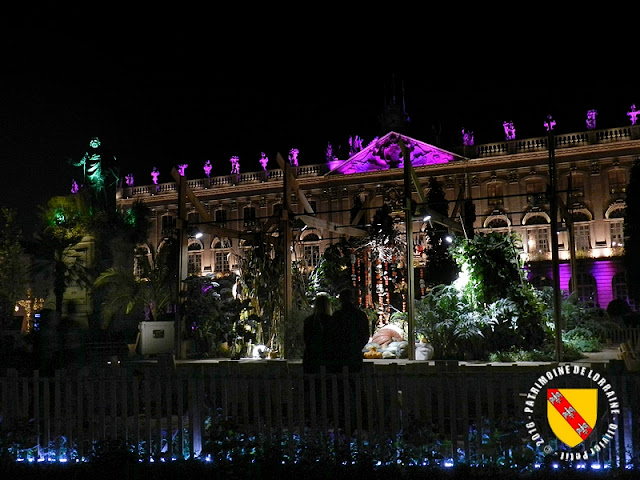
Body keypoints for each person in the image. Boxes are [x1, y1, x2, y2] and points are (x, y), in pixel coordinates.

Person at [332, 288, 370, 374]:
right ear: (353, 299)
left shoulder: (337, 315)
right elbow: (365, 335)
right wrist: (357, 347)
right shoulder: (360, 315)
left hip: (340, 356)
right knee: (355, 382)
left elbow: (332, 335)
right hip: (355, 354)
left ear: (340, 300)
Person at [302, 293, 333, 374]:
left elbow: (306, 339)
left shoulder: (308, 321)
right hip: (328, 359)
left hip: (310, 359)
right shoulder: (332, 321)